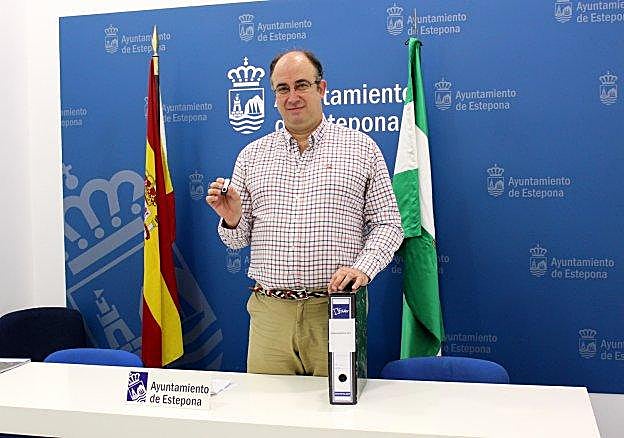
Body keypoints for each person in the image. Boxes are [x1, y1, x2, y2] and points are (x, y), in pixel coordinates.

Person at [206, 50, 403, 377]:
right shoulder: (251, 156)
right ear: (274, 96)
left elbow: (388, 224)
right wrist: (232, 218)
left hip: (336, 311)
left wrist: (363, 268)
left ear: (321, 88)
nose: (292, 96)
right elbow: (236, 241)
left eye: (301, 85)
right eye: (282, 89)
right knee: (266, 407)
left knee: (336, 407)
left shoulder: (361, 148)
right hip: (270, 315)